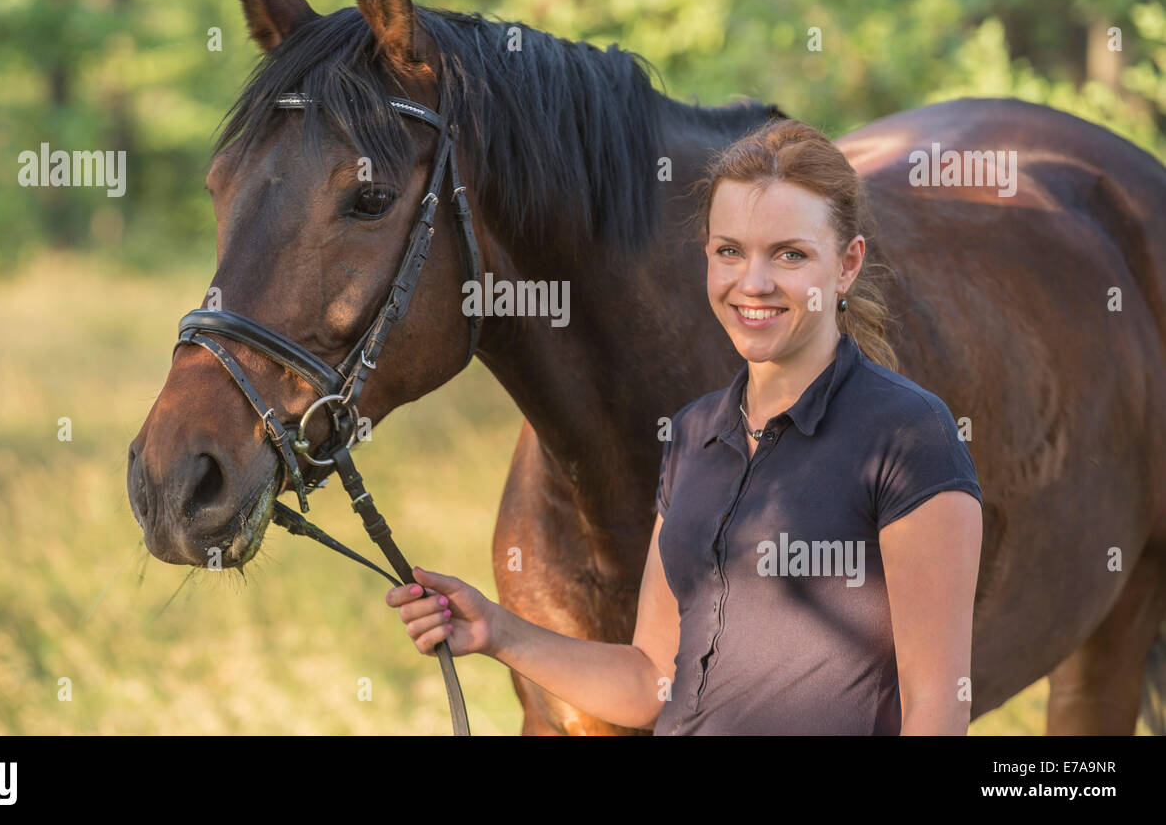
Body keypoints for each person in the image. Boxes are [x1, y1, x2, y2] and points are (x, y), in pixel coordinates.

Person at [385, 119, 983, 735]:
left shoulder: (910, 437)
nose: (753, 283)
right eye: (730, 251)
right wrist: (494, 629)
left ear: (848, 264)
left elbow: (937, 706)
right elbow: (652, 682)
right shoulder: (695, 435)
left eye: (790, 254)